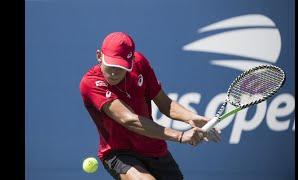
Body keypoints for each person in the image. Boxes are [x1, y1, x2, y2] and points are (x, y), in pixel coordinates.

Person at [79, 32, 221, 180]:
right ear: (99, 56)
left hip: (154, 148)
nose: (114, 72)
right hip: (118, 152)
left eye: (120, 67)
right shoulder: (90, 83)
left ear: (132, 61)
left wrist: (192, 118)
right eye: (110, 65)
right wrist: (180, 136)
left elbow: (165, 104)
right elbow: (129, 120)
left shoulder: (140, 63)